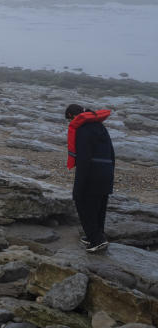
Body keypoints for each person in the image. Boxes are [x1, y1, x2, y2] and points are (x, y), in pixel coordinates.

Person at [65, 104, 115, 253]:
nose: (69, 123)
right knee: (99, 206)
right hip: (106, 172)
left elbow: (84, 159)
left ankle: (97, 240)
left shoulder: (82, 129)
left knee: (83, 204)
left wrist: (78, 186)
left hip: (92, 173)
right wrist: (110, 173)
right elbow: (112, 153)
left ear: (71, 116)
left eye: (68, 119)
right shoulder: (100, 126)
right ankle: (97, 235)